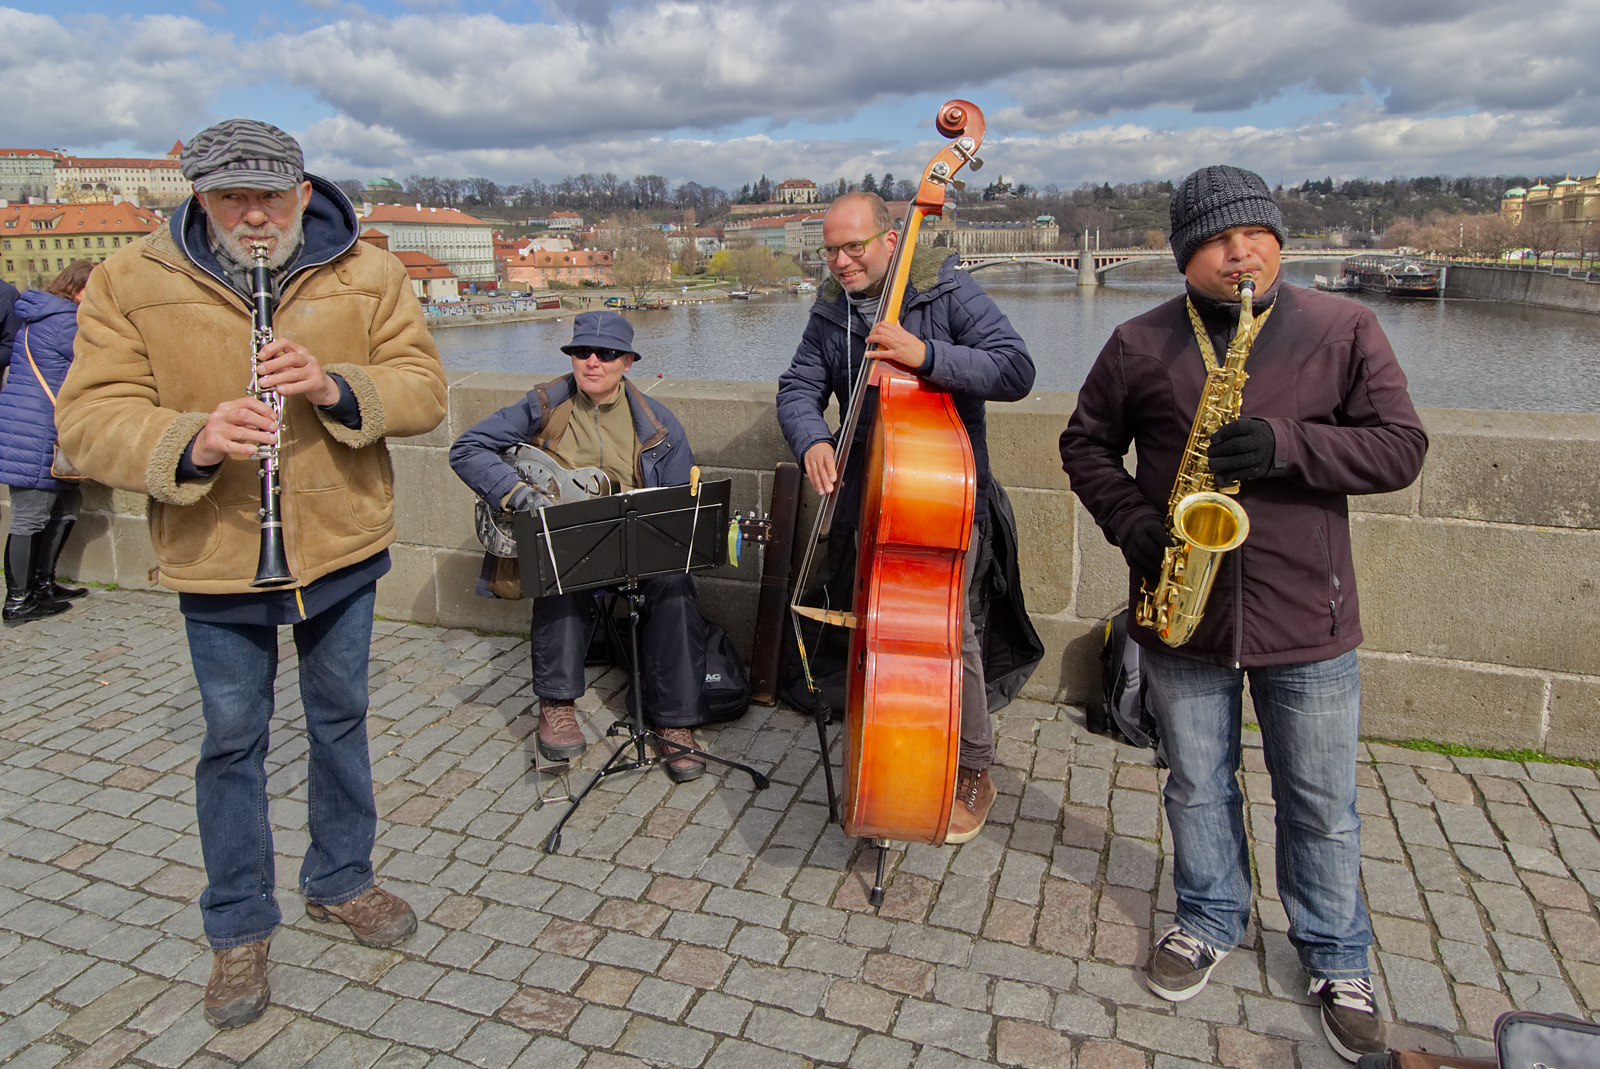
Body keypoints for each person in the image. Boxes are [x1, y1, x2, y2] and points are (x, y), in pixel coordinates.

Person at [57, 119, 447, 1030]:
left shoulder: (368, 270)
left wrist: (336, 386)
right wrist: (189, 439)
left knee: (340, 719)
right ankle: (237, 923)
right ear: (200, 197)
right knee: (232, 741)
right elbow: (88, 420)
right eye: (233, 197)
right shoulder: (129, 279)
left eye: (271, 195)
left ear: (303, 193)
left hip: (343, 541)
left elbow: (424, 387)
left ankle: (342, 878)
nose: (255, 215)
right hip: (220, 549)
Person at [1059, 165, 1428, 1062]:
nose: (1240, 253)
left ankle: (1337, 955)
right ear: (1186, 256)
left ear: (1277, 240)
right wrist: (1132, 521)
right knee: (1194, 782)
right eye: (1219, 241)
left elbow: (1401, 447)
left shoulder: (1343, 327)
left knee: (1321, 801)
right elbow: (1085, 443)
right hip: (1182, 613)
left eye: (1254, 235)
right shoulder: (1139, 340)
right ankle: (1209, 915)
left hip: (1307, 614)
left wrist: (1287, 446)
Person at [775, 191, 1036, 844]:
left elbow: (1016, 368)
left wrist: (926, 356)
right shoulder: (831, 307)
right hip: (868, 497)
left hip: (940, 494)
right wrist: (812, 439)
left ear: (891, 240)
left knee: (948, 631)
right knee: (877, 627)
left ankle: (974, 764)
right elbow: (799, 385)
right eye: (830, 250)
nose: (840, 262)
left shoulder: (944, 289)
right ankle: (888, 743)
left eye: (853, 247)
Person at [449, 310, 713, 782]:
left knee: (675, 584)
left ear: (627, 362)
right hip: (566, 540)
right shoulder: (543, 406)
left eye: (607, 354)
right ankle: (556, 705)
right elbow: (467, 448)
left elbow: (678, 504)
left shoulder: (660, 424)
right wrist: (518, 494)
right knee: (560, 570)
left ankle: (674, 721)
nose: (593, 362)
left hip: (633, 543)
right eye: (581, 352)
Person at [1, 261, 95, 624]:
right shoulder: (65, 322)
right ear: (76, 289)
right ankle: (18, 601)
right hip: (35, 428)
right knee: (29, 516)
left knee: (66, 504)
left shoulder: (43, 314)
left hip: (36, 423)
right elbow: (98, 362)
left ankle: (42, 586)